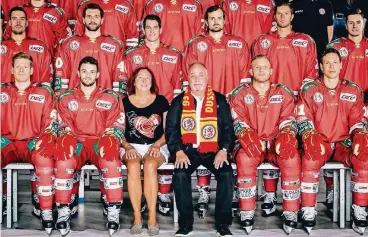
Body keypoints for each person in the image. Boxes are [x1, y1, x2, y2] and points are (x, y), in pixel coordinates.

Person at [251, 2, 318, 216]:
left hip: (296, 105)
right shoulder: (262, 41)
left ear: (292, 16)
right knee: (271, 143)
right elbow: (256, 72)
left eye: (286, 13)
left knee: (292, 150)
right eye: (278, 13)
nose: (282, 17)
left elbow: (311, 76)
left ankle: (294, 199)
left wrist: (303, 104)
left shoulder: (305, 41)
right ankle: (270, 194)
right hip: (269, 102)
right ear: (274, 16)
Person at [184, 5, 249, 218]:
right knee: (204, 143)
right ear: (206, 21)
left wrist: (238, 104)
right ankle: (203, 192)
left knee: (232, 146)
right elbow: (192, 75)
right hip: (204, 103)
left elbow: (244, 80)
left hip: (231, 104)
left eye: (219, 18)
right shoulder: (196, 43)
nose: (216, 21)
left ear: (225, 20)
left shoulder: (238, 43)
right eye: (211, 18)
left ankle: (235, 191)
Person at [296, 48, 368, 235]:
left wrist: (360, 134)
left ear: (341, 65)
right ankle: (308, 209)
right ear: (321, 66)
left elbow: (358, 120)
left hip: (344, 143)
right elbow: (303, 117)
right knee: (310, 158)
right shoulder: (309, 88)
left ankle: (359, 209)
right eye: (327, 63)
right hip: (320, 141)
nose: (331, 66)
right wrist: (308, 134)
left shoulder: (353, 89)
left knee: (363, 158)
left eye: (335, 62)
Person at [54, 56, 125, 236]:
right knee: (63, 162)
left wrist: (111, 137)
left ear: (98, 74)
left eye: (92, 71)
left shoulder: (110, 96)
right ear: (78, 73)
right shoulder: (66, 97)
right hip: (76, 141)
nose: (87, 75)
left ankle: (113, 212)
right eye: (84, 71)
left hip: (99, 141)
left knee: (111, 162)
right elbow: (62, 123)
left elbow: (118, 122)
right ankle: (63, 211)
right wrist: (66, 135)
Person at [229, 55, 300, 235]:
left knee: (291, 157)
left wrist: (286, 134)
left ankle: (291, 211)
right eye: (257, 68)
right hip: (252, 143)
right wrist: (247, 135)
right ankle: (246, 211)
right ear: (251, 72)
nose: (261, 71)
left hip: (277, 142)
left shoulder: (283, 92)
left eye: (265, 67)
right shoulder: (240, 93)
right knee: (245, 158)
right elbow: (237, 119)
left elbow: (288, 118)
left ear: (271, 71)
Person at [166, 62, 235, 237]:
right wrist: (178, 151)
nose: (197, 79)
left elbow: (228, 128)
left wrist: (224, 150)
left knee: (226, 173)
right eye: (193, 76)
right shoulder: (179, 101)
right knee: (180, 174)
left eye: (200, 75)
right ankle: (185, 224)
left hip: (214, 150)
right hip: (188, 151)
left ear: (207, 77)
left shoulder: (219, 100)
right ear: (187, 79)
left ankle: (223, 224)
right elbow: (171, 129)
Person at [124, 14, 183, 216]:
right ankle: (140, 200)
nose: (151, 31)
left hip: (163, 112)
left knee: (156, 158)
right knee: (137, 163)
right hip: (138, 111)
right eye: (147, 27)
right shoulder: (132, 55)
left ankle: (162, 195)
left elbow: (177, 89)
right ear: (143, 30)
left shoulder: (173, 55)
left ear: (160, 29)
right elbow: (128, 90)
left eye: (154, 27)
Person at [1, 52, 57, 234]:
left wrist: (46, 137)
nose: (22, 70)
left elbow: (50, 122)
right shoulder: (2, 91)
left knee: (45, 157)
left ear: (32, 70)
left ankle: (46, 210)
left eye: (25, 66)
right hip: (6, 141)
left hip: (33, 141)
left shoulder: (43, 91)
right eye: (18, 66)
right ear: (11, 70)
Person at [121, 67, 169, 235]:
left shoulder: (161, 101)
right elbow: (117, 130)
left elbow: (168, 130)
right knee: (133, 165)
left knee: (149, 165)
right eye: (140, 77)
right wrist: (127, 147)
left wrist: (157, 145)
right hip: (130, 145)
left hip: (157, 144)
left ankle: (152, 217)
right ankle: (137, 217)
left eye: (147, 77)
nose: (143, 80)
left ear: (152, 81)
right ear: (133, 81)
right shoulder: (124, 102)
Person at [54, 3, 125, 94]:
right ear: (83, 20)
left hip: (105, 101)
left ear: (102, 20)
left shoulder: (114, 45)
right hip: (75, 101)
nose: (92, 20)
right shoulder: (68, 44)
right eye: (89, 16)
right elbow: (61, 77)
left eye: (96, 16)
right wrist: (62, 97)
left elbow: (119, 78)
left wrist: (117, 99)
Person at [1, 7, 53, 85]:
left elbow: (46, 79)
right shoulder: (2, 46)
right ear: (9, 23)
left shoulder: (40, 47)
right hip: (6, 95)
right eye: (14, 19)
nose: (18, 22)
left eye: (22, 19)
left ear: (26, 23)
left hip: (34, 94)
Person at [327, 9, 368, 97]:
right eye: (351, 23)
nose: (354, 26)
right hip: (343, 97)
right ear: (346, 25)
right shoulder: (335, 46)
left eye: (358, 22)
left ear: (363, 24)